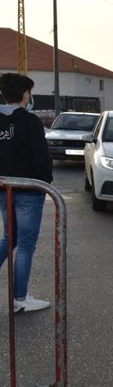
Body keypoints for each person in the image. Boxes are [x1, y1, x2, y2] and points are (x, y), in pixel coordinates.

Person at [0, 73, 53, 313]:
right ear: (25, 94)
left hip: (3, 188)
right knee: (25, 244)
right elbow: (42, 158)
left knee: (10, 237)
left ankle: (20, 297)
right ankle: (20, 298)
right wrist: (45, 184)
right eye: (29, 92)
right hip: (29, 191)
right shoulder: (30, 122)